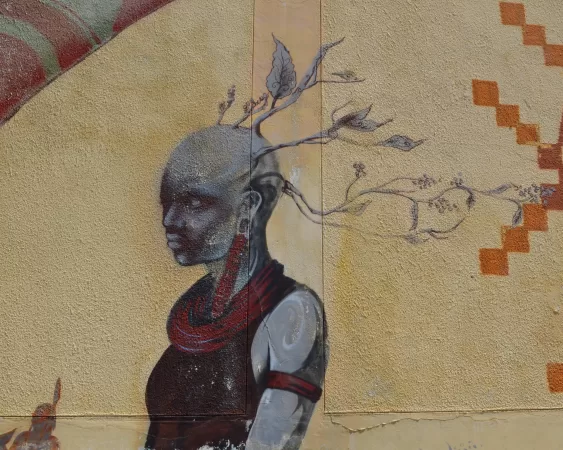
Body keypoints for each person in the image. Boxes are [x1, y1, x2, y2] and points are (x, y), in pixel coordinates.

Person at [144, 124, 326, 450]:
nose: (169, 220)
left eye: (193, 202)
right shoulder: (195, 318)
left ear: (248, 206)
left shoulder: (292, 311)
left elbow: (273, 442)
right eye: (166, 203)